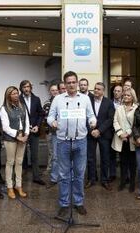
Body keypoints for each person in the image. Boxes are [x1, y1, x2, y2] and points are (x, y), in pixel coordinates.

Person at [47, 71, 96, 219]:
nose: (72, 85)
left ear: (77, 82)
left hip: (81, 141)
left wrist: (93, 121)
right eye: (68, 82)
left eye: (74, 82)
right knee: (63, 175)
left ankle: (79, 202)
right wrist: (52, 122)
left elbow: (91, 115)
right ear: (65, 84)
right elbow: (50, 116)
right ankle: (64, 204)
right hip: (63, 141)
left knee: (79, 175)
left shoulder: (86, 98)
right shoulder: (58, 99)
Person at [0, 86, 30, 199]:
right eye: (13, 93)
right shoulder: (4, 108)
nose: (16, 95)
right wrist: (18, 136)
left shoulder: (22, 106)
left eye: (17, 93)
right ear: (8, 96)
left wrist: (26, 134)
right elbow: (5, 127)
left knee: (19, 162)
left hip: (23, 136)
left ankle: (18, 186)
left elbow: (27, 121)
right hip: (11, 138)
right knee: (10, 162)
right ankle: (9, 187)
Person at [86, 82, 115, 191]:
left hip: (104, 134)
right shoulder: (88, 101)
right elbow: (85, 117)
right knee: (90, 158)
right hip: (91, 134)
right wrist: (91, 130)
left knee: (105, 158)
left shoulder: (109, 103)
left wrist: (99, 130)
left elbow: (110, 119)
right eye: (95, 89)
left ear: (103, 91)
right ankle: (91, 179)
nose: (96, 91)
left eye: (98, 89)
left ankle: (104, 180)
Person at [19, 80, 45, 185]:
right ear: (21, 88)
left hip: (34, 132)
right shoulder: (18, 99)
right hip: (22, 132)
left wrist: (37, 126)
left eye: (28, 87)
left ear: (31, 88)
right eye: (24, 87)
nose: (26, 89)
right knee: (22, 155)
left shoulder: (36, 99)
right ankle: (20, 175)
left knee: (35, 155)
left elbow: (41, 114)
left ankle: (36, 177)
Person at [112, 88, 138, 192]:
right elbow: (115, 121)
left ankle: (132, 183)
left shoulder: (137, 108)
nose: (126, 97)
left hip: (132, 140)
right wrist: (121, 134)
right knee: (123, 162)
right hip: (121, 139)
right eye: (125, 95)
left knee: (132, 163)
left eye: (128, 95)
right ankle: (122, 182)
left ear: (132, 97)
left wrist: (128, 133)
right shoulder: (119, 108)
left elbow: (137, 123)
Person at [44, 84, 59, 188]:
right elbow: (46, 118)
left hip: (65, 133)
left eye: (56, 90)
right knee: (54, 156)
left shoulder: (62, 100)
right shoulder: (48, 103)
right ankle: (54, 178)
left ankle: (64, 177)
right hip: (53, 132)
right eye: (52, 90)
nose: (55, 92)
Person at [109, 84, 124, 181]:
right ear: (113, 92)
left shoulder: (126, 103)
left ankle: (124, 175)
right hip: (110, 131)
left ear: (122, 92)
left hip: (122, 132)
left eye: (119, 91)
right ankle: (112, 174)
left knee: (123, 154)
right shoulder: (109, 103)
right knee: (112, 154)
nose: (117, 92)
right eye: (115, 91)